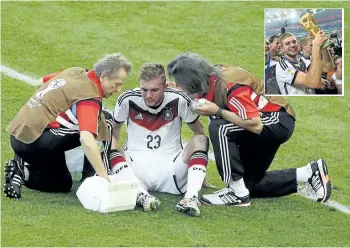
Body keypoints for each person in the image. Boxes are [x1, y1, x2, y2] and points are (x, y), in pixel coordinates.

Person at [167, 52, 332, 206]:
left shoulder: (229, 86)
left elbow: (255, 123)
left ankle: (236, 193)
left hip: (275, 120)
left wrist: (217, 111)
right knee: (249, 185)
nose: (180, 86)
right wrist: (171, 86)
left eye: (181, 83)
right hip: (270, 118)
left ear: (192, 81)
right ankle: (309, 173)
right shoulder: (210, 77)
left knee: (219, 127)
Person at [4, 53, 132, 199]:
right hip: (38, 143)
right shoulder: (89, 97)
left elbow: (39, 82)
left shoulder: (74, 72)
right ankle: (96, 174)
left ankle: (21, 171)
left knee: (62, 183)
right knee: (104, 121)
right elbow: (86, 140)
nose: (118, 89)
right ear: (103, 76)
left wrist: (41, 113)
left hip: (18, 135)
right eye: (116, 84)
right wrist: (105, 179)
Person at [112, 63, 209, 216]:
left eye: (154, 90)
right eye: (144, 89)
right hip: (136, 170)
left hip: (172, 169)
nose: (148, 95)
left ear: (165, 86)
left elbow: (199, 131)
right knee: (110, 142)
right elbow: (115, 128)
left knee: (201, 140)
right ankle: (140, 194)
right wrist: (114, 161)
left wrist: (199, 173)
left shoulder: (179, 99)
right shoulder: (127, 99)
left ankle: (190, 198)